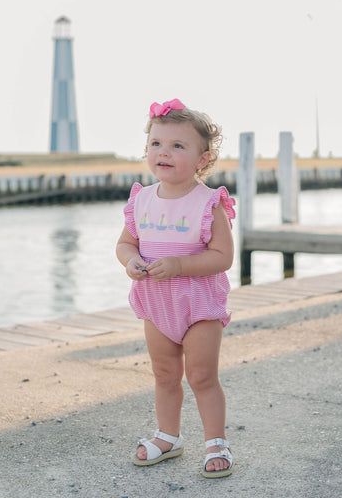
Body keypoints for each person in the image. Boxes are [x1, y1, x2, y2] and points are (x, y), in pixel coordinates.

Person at [116, 99, 235, 478]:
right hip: (156, 304)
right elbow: (125, 244)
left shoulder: (208, 203)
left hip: (198, 305)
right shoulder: (142, 200)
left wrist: (180, 266)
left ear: (203, 158)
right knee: (165, 374)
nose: (163, 152)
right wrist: (131, 261)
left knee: (201, 376)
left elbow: (223, 256)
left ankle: (216, 441)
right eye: (156, 143)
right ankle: (168, 436)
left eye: (177, 146)